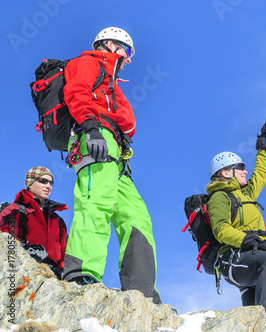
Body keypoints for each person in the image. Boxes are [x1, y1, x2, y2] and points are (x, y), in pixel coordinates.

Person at [61, 27, 161, 304]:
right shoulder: (88, 62)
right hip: (95, 135)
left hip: (117, 151)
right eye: (126, 51)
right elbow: (76, 92)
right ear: (109, 44)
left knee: (136, 216)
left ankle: (142, 290)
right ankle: (81, 273)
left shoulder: (111, 82)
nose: (128, 59)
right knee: (96, 203)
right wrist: (90, 127)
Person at [205, 118, 266, 313]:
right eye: (240, 167)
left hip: (249, 254)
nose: (245, 171)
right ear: (225, 173)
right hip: (231, 257)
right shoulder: (218, 197)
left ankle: (261, 320)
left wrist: (264, 142)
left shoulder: (246, 195)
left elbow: (260, 174)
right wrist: (252, 241)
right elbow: (221, 230)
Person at [0, 167, 68, 278]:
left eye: (51, 183)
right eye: (43, 181)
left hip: (53, 276)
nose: (48, 186)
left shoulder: (57, 220)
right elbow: (5, 242)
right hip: (25, 269)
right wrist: (26, 250)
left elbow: (64, 253)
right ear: (30, 183)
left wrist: (65, 272)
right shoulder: (15, 210)